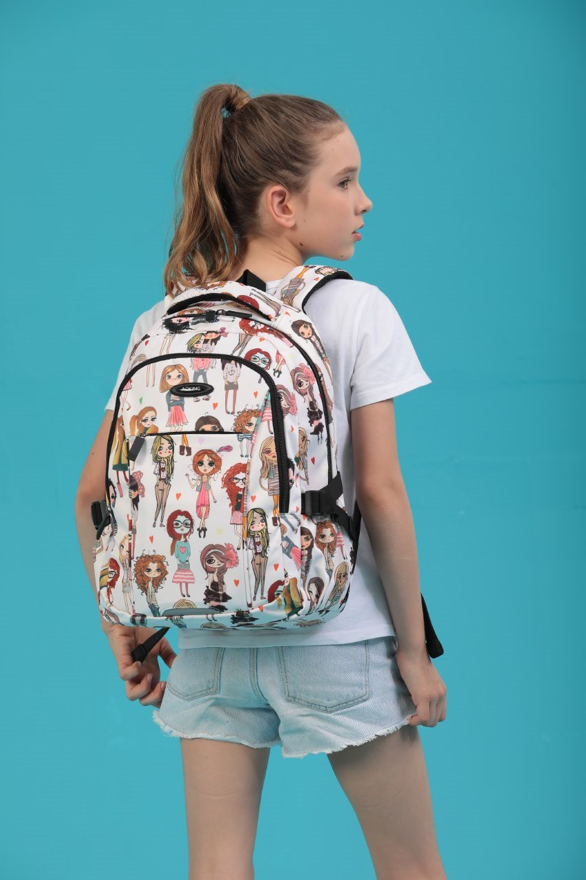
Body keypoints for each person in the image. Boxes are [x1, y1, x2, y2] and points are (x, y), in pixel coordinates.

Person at [74, 83, 448, 880]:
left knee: (216, 869)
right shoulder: (356, 310)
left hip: (208, 646)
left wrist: (126, 632)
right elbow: (381, 492)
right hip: (336, 637)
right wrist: (414, 654)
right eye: (344, 181)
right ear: (283, 202)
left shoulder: (163, 322)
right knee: (411, 869)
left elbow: (92, 496)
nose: (364, 201)